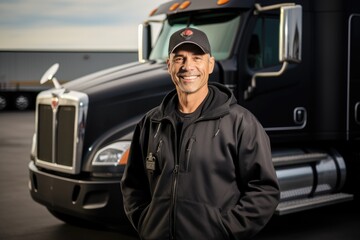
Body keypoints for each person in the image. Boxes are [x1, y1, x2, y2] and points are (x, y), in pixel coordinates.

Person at [120, 27, 280, 240]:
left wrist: (225, 231)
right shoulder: (151, 123)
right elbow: (133, 184)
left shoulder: (240, 123)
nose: (188, 67)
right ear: (169, 65)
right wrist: (146, 223)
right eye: (179, 59)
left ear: (210, 65)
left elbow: (264, 190)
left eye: (197, 58)